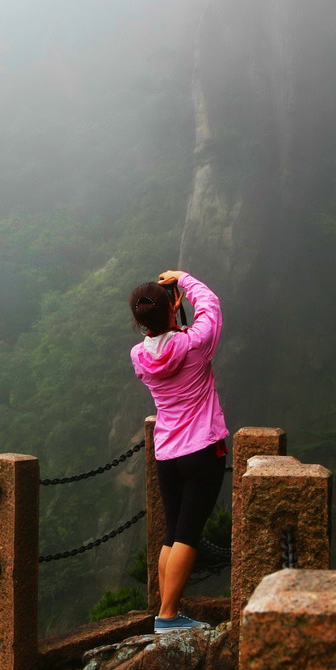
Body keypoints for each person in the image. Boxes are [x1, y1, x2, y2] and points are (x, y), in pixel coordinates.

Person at [129, 269, 229, 633]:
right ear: (173, 308)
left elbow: (164, 335)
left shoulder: (139, 356)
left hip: (167, 453)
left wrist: (168, 309)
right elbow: (211, 307)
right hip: (203, 449)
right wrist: (184, 279)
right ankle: (168, 617)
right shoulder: (195, 343)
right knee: (187, 533)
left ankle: (165, 610)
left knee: (172, 533)